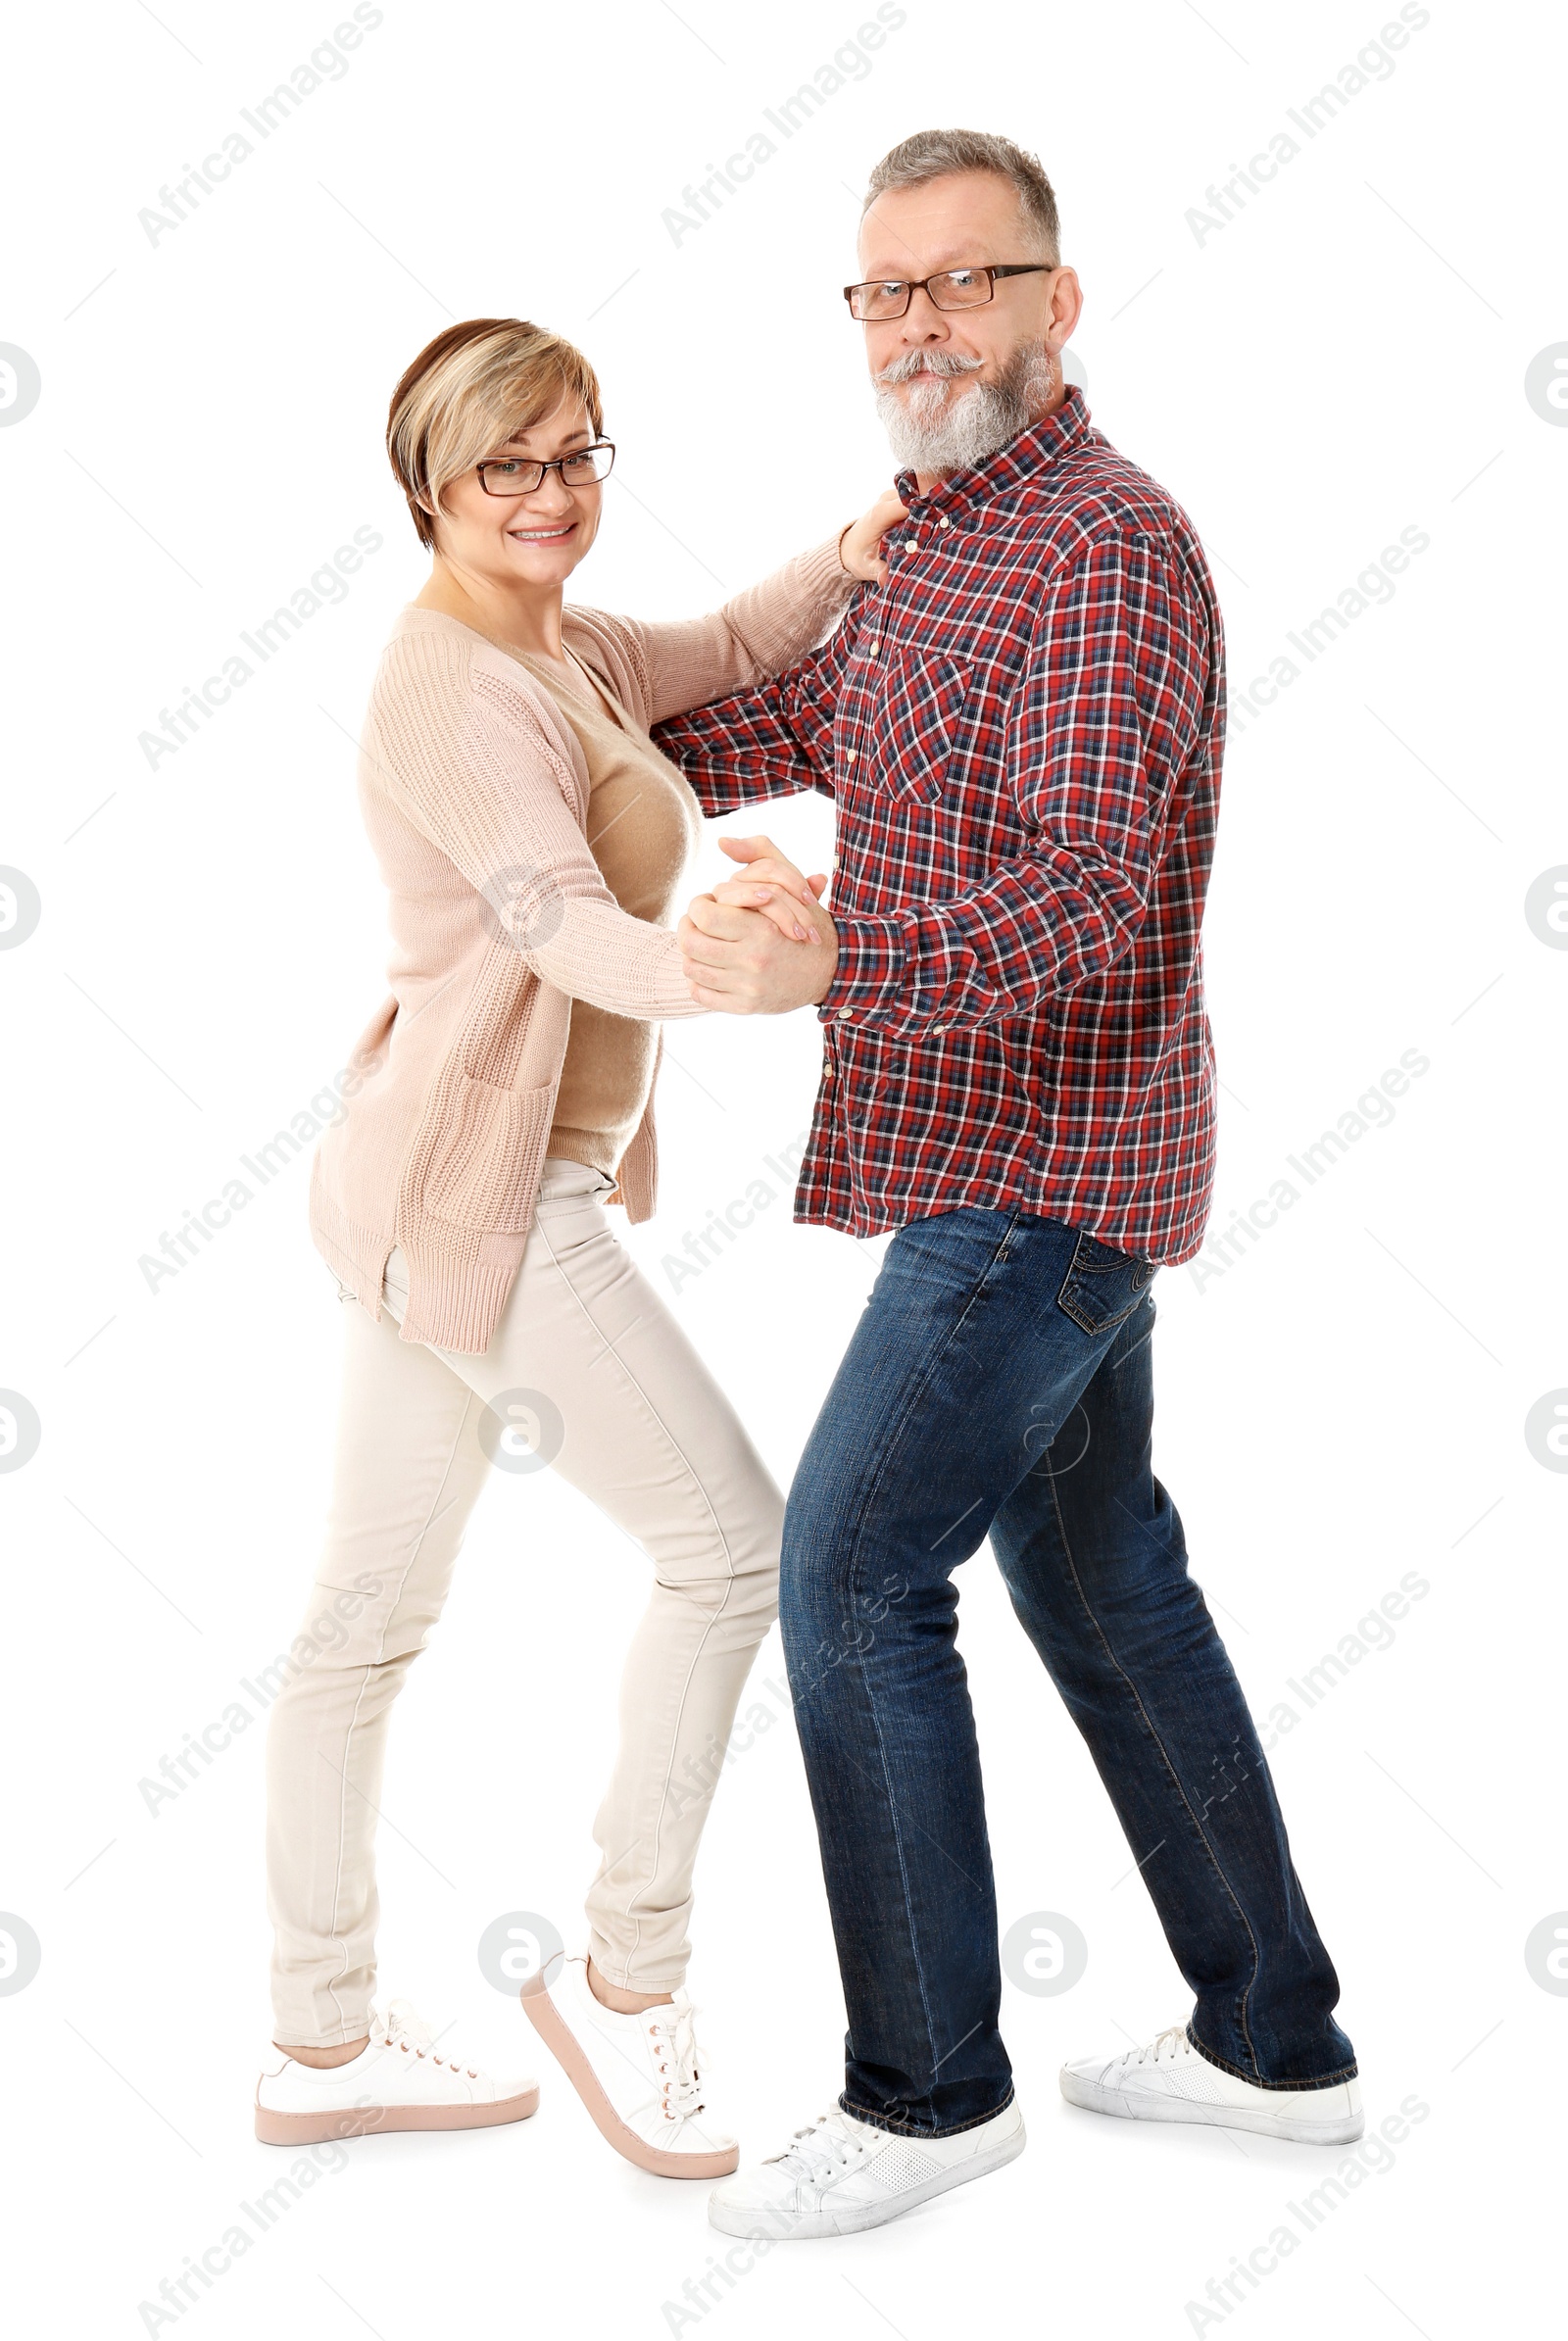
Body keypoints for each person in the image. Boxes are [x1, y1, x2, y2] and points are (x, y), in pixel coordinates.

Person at [654, 128, 1361, 2239]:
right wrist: (549, 701)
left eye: (960, 284)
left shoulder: (1103, 544)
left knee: (847, 1575)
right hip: (1029, 1157)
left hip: (1037, 1172)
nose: (916, 325)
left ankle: (925, 2085)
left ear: (1058, 300)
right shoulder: (940, 533)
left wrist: (826, 957)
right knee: (1099, 1577)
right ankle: (1270, 2038)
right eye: (881, 291)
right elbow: (770, 714)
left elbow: (1083, 891)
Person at [256, 315, 898, 2173]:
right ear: (428, 491)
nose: (548, 496)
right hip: (478, 1200)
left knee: (362, 1625)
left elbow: (726, 648)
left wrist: (851, 555)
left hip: (419, 1187)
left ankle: (315, 2034)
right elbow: (554, 923)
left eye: (575, 455)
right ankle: (629, 1981)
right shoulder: (449, 684)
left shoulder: (570, 642)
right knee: (736, 1549)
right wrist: (742, 973)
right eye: (504, 468)